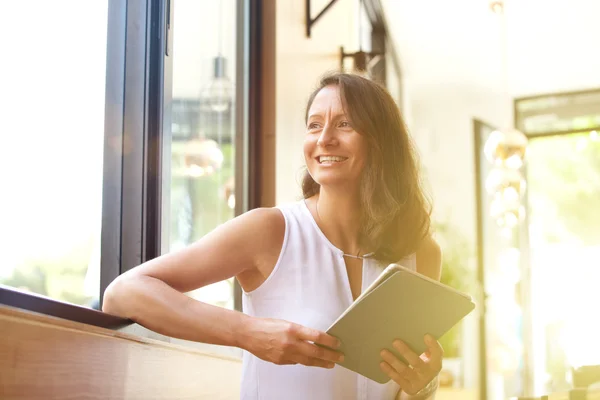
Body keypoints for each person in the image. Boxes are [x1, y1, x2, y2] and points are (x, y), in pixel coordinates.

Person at [103, 73, 443, 400]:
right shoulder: (270, 231)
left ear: (381, 140)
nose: (324, 138)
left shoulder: (421, 254)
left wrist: (421, 386)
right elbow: (124, 293)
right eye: (314, 125)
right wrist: (247, 333)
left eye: (344, 123)